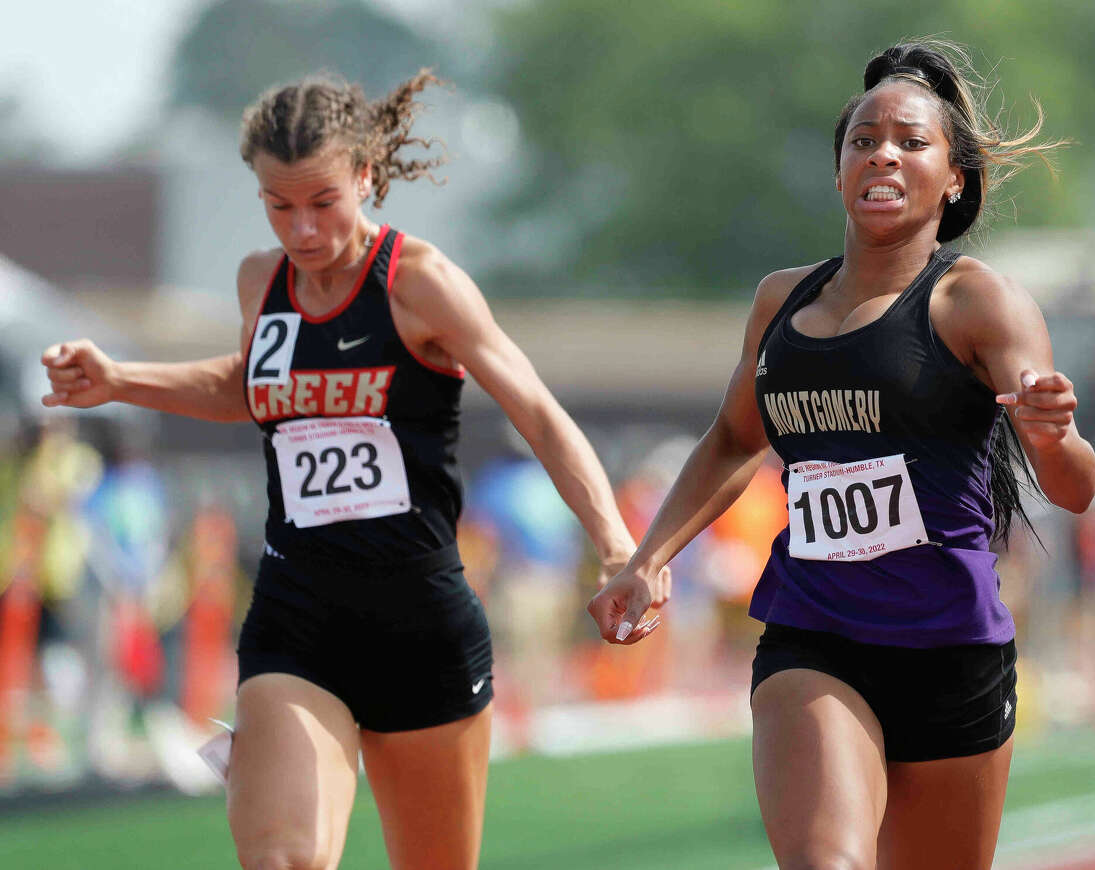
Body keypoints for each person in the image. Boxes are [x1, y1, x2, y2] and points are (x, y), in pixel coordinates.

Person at [41, 70, 666, 870]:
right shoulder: (259, 282)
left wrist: (617, 546)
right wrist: (122, 378)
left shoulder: (419, 283)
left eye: (323, 201)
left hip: (421, 625)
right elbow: (258, 388)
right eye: (279, 204)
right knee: (284, 860)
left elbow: (536, 410)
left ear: (366, 175)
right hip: (296, 619)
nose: (302, 228)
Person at [589, 40, 1095, 870]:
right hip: (813, 634)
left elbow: (1073, 489)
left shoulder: (978, 300)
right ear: (838, 172)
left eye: (910, 141)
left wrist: (1051, 434)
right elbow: (732, 440)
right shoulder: (780, 301)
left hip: (950, 648)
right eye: (863, 141)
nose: (883, 155)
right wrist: (647, 558)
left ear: (955, 177)